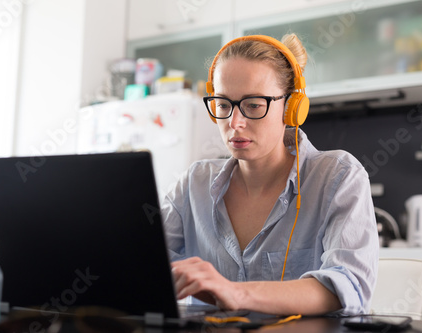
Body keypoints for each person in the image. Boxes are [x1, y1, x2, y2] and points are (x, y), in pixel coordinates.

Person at [161, 33, 378, 316]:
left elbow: (349, 285)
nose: (234, 123)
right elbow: (140, 260)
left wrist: (235, 293)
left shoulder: (337, 177)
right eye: (223, 105)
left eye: (253, 105)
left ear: (290, 108)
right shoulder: (194, 183)